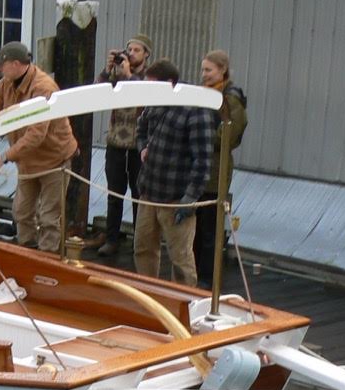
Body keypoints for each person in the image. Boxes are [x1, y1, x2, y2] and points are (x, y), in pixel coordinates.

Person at [0, 42, 77, 254]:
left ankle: (47, 261)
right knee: (22, 212)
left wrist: (2, 157)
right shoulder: (6, 84)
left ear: (16, 64)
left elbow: (36, 134)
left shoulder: (43, 88)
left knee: (49, 217)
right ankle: (27, 253)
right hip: (28, 162)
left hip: (55, 160)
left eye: (2, 65)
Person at [134, 58, 213, 287]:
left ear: (169, 83)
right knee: (142, 248)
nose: (148, 90)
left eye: (152, 85)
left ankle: (184, 302)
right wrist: (143, 147)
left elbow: (203, 160)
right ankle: (147, 293)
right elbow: (140, 128)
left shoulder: (195, 110)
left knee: (180, 257)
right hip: (149, 191)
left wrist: (189, 200)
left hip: (176, 196)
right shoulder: (154, 103)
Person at [193, 49, 248, 286]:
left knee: (210, 229)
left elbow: (232, 132)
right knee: (194, 228)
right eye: (203, 69)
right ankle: (195, 272)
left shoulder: (230, 98)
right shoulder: (203, 94)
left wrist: (201, 137)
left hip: (215, 168)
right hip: (197, 165)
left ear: (222, 70)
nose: (203, 74)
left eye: (208, 70)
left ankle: (208, 277)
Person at [95, 33, 152, 256]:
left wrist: (128, 75)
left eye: (137, 50)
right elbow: (96, 91)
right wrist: (107, 69)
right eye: (129, 50)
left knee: (139, 195)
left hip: (139, 146)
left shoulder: (150, 76)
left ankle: (140, 242)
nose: (131, 54)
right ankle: (112, 239)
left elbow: (143, 95)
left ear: (146, 54)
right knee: (114, 194)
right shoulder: (117, 74)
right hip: (116, 142)